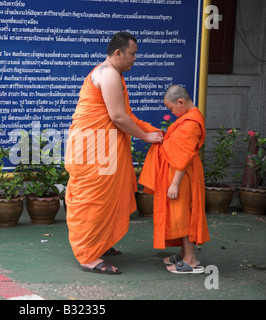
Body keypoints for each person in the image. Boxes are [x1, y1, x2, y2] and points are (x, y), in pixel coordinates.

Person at [64, 32, 164, 275]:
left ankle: (100, 243)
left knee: (106, 197)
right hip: (94, 149)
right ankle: (88, 256)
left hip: (101, 146)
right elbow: (118, 116)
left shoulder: (111, 72)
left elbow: (124, 115)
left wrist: (149, 130)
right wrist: (146, 136)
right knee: (94, 199)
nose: (135, 59)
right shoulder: (108, 73)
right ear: (118, 53)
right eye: (132, 54)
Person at [138, 84, 209, 274]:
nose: (172, 112)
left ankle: (191, 260)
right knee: (178, 215)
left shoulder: (191, 123)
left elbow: (184, 155)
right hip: (180, 174)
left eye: (171, 109)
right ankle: (183, 252)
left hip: (182, 177)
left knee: (182, 215)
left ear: (181, 102)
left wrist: (175, 183)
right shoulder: (187, 118)